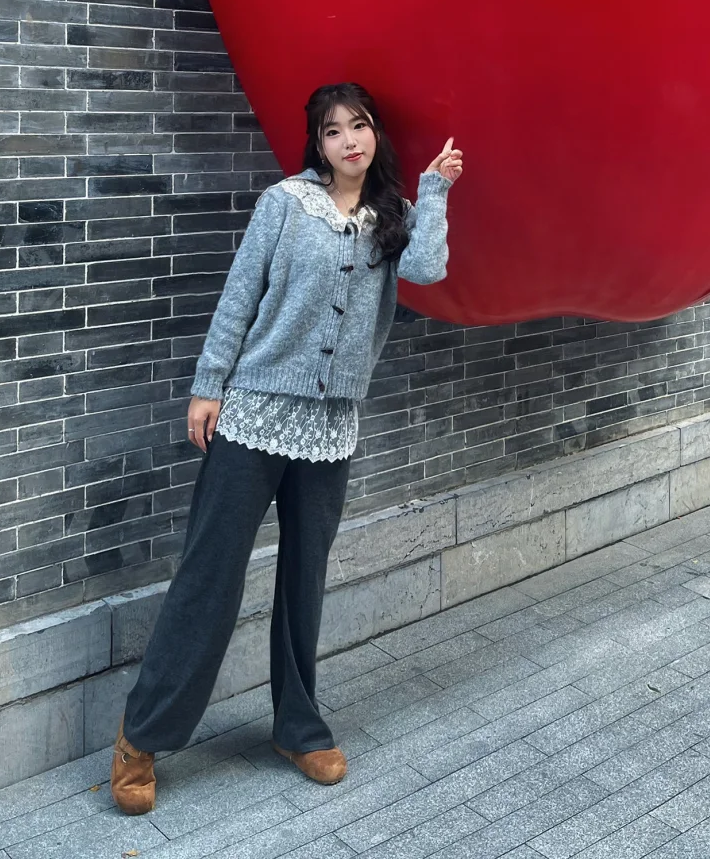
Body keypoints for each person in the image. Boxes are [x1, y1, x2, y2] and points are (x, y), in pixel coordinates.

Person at [110, 82, 463, 814]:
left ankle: (297, 727)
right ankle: (141, 735)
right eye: (332, 131)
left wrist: (434, 191)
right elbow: (241, 293)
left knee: (305, 578)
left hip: (331, 426)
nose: (348, 141)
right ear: (318, 144)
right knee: (211, 575)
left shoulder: (391, 217)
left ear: (374, 134)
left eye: (358, 126)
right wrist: (209, 385)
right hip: (255, 412)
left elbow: (427, 269)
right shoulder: (284, 204)